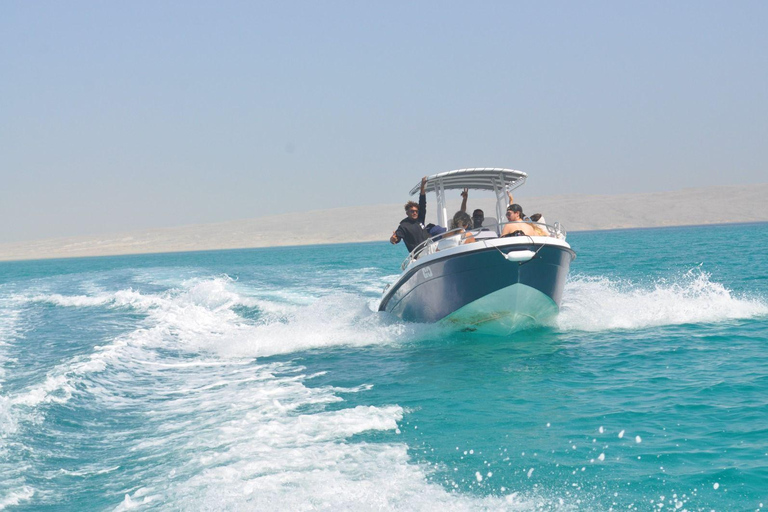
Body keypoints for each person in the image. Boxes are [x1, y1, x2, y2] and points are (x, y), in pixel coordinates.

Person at [390, 176, 430, 252]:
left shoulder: (420, 218)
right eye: (412, 211)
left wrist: (422, 187)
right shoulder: (403, 226)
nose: (415, 213)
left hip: (429, 249)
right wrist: (393, 239)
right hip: (419, 254)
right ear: (407, 213)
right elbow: (396, 238)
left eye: (416, 211)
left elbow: (422, 202)